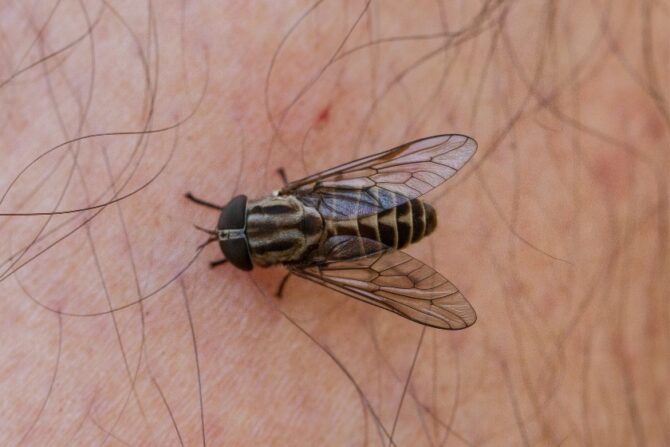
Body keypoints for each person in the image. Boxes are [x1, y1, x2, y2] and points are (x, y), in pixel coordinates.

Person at [2, 1, 667, 445]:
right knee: (373, 201)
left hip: (355, 232)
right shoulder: (301, 193)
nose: (230, 226)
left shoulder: (290, 263)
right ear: (262, 200)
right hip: (344, 203)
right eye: (234, 224)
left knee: (371, 273)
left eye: (230, 220)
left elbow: (382, 278)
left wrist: (277, 269)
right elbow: (387, 173)